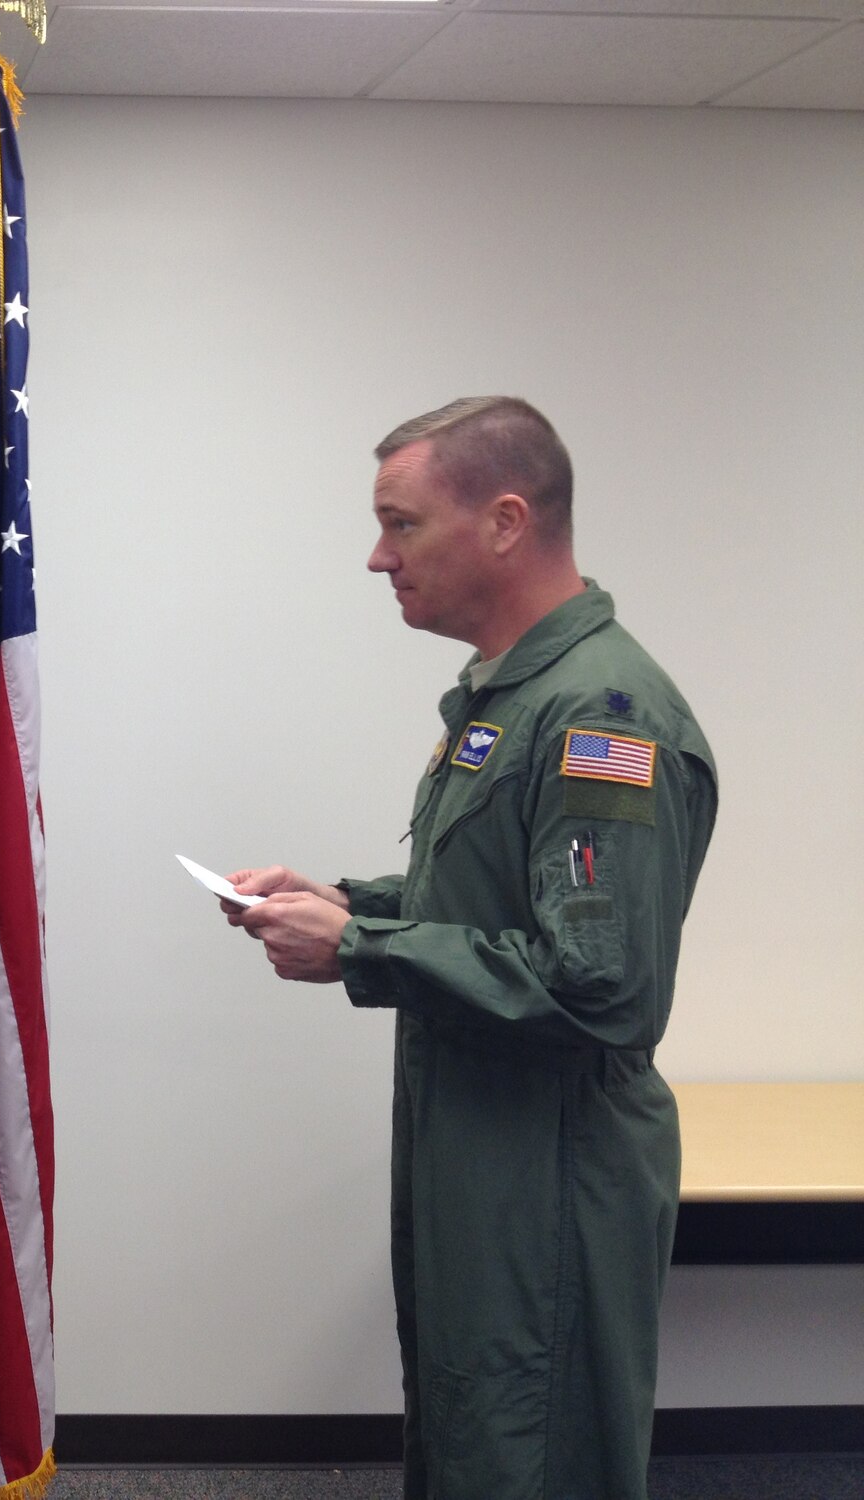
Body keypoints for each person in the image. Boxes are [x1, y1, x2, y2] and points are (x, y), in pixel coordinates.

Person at [224, 398, 718, 1500]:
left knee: (528, 1455)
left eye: (400, 525)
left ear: (502, 521)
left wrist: (360, 950)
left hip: (545, 1171)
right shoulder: (513, 697)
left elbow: (600, 985)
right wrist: (345, 901)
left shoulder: (600, 715)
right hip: (484, 1149)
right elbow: (498, 891)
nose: (375, 556)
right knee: (473, 1439)